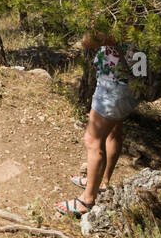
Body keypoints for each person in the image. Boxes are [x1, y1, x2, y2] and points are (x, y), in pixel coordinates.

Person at [58, 31, 137, 217]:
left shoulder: (119, 16)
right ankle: (103, 182)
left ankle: (87, 199)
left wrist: (95, 20)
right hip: (129, 83)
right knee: (114, 131)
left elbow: (86, 41)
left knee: (93, 140)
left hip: (114, 86)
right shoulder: (142, 8)